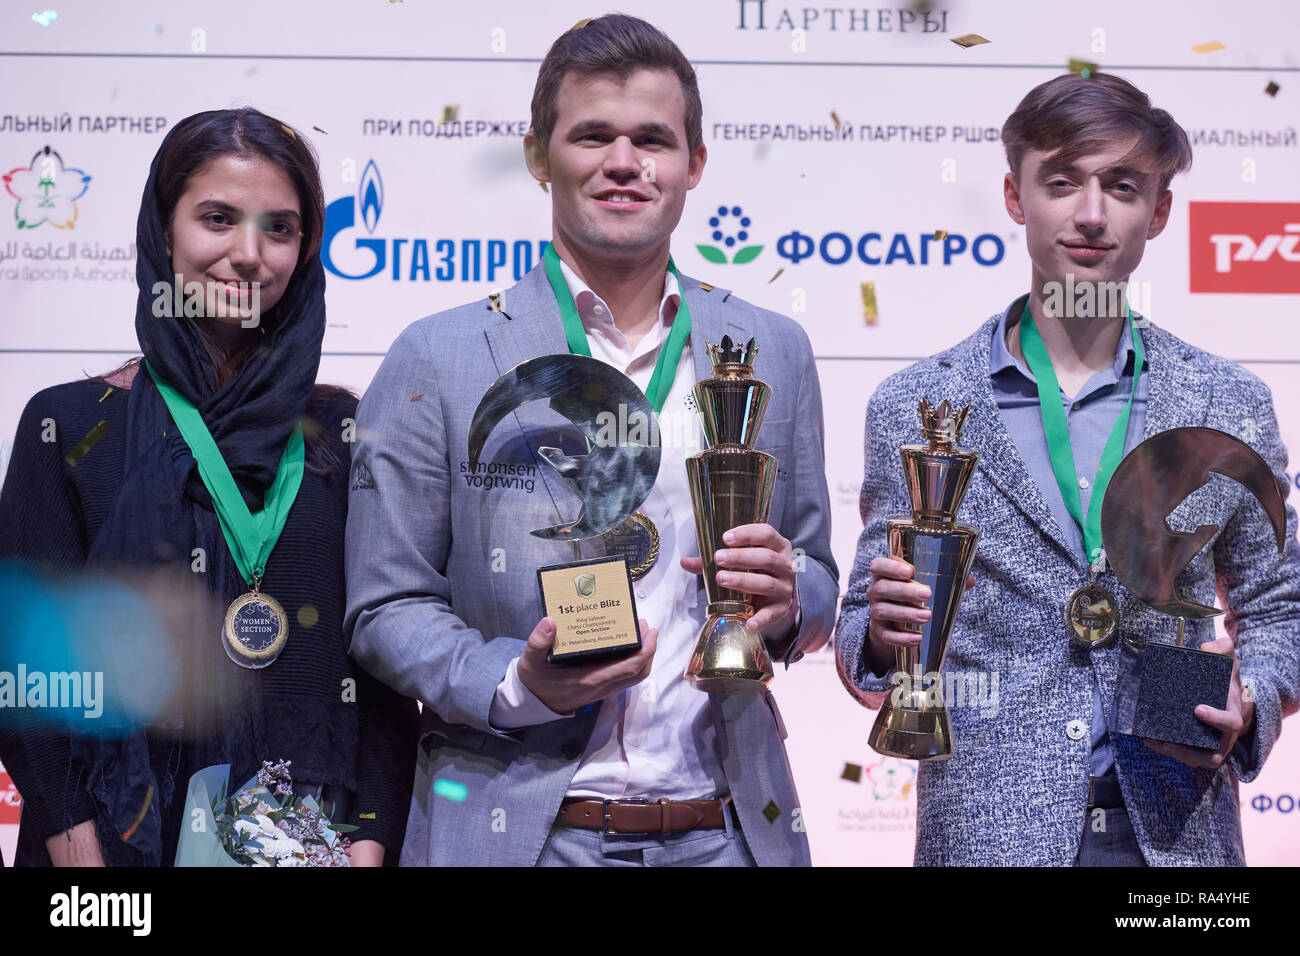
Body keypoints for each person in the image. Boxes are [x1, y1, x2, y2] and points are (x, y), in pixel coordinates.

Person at [345, 14, 838, 867]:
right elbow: (385, 607)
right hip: (519, 832)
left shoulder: (772, 350)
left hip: (728, 833)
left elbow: (819, 569)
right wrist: (514, 684)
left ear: (694, 164)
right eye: (592, 135)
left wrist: (794, 601)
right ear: (539, 156)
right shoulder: (441, 354)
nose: (623, 162)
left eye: (652, 138)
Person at [835, 73, 1300, 866]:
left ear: (1157, 212)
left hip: (1179, 836)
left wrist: (1250, 698)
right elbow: (857, 631)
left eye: (1121, 187)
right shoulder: (915, 405)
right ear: (1016, 198)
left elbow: (1281, 610)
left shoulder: (1227, 399)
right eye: (1062, 182)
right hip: (988, 838)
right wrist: (883, 641)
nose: (1090, 214)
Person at [0, 108, 418, 866]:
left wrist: (368, 844)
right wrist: (80, 856)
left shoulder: (344, 432)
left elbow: (381, 669)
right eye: (217, 219)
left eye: (280, 228)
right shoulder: (69, 427)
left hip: (310, 846)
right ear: (164, 233)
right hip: (112, 851)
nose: (247, 254)